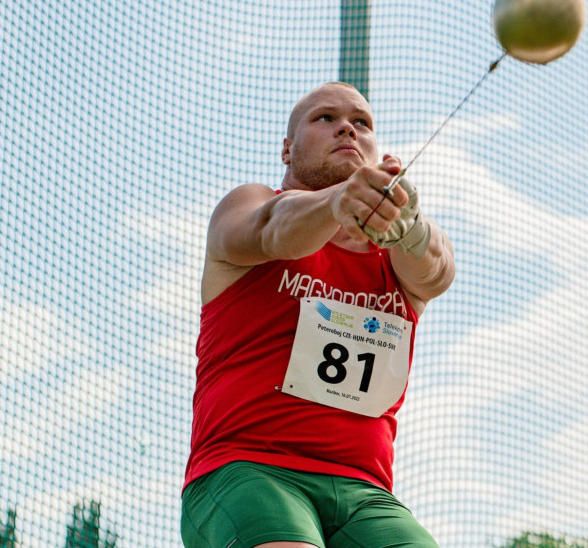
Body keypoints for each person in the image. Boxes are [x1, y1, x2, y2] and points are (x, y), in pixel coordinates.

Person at [181, 81, 455, 548]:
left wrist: (408, 226)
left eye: (362, 123)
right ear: (288, 150)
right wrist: (337, 200)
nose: (347, 127)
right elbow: (273, 230)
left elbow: (437, 271)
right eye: (325, 118)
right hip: (248, 470)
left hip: (365, 493)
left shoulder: (397, 253)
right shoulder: (249, 203)